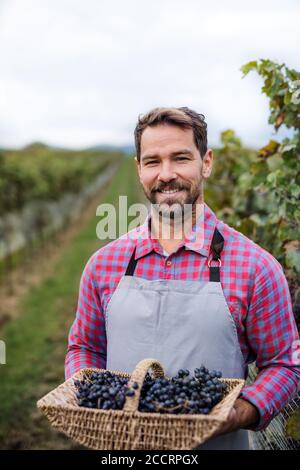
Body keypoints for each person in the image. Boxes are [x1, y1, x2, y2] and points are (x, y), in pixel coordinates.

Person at [65, 107, 300, 449]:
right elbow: (84, 347)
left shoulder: (255, 267)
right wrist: (88, 394)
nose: (166, 174)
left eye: (180, 158)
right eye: (152, 161)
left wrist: (242, 411)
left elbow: (284, 365)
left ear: (206, 162)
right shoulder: (103, 265)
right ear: (138, 169)